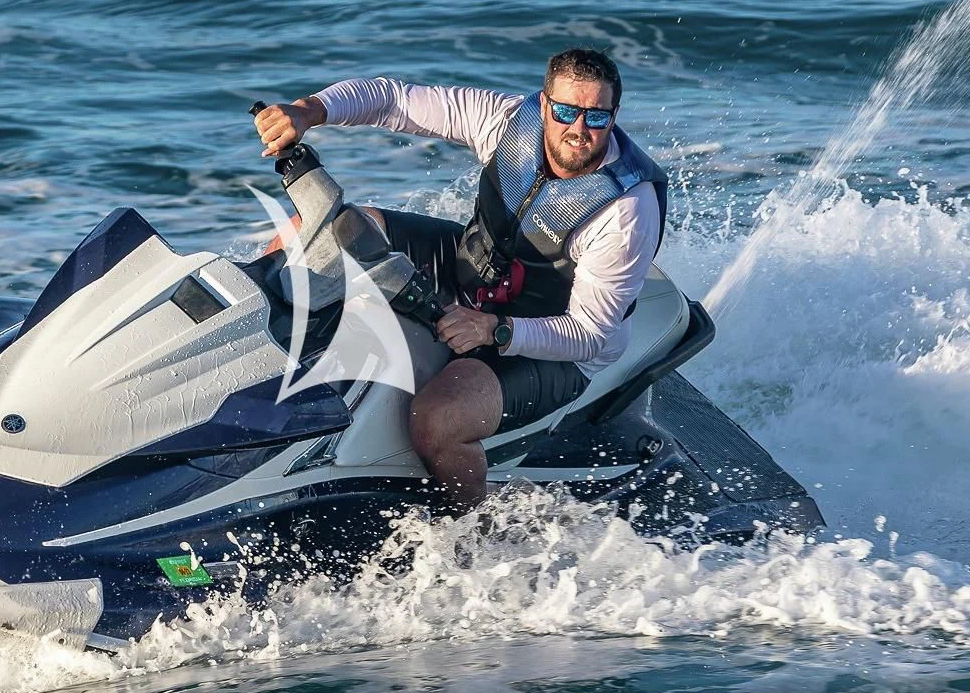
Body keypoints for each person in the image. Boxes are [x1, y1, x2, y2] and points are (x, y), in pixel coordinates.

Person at [252, 48, 668, 513]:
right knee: (323, 232)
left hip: (544, 336)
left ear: (614, 116)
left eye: (597, 116)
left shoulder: (626, 212)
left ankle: (469, 530)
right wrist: (309, 111)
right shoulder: (506, 119)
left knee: (437, 421)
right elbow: (394, 100)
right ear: (546, 102)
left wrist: (496, 330)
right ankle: (254, 367)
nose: (579, 130)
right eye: (567, 111)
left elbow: (590, 335)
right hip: (472, 272)